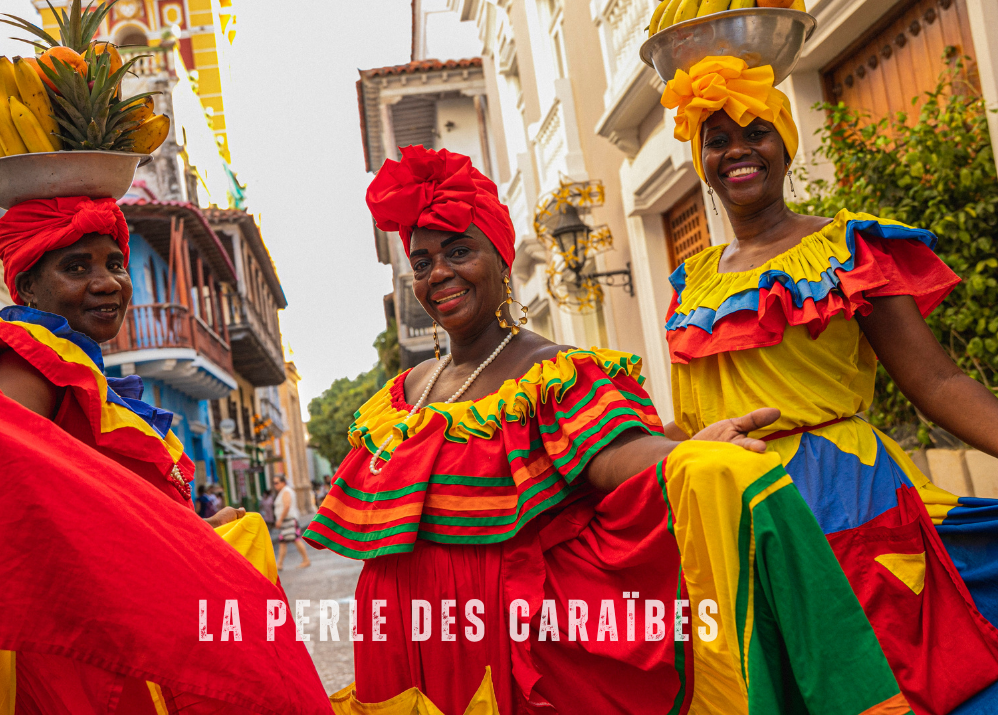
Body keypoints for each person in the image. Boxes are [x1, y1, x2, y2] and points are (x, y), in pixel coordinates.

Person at [309, 145, 913, 715]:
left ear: (501, 257)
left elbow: (614, 450)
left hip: (494, 646)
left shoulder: (550, 372)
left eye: (458, 251)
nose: (438, 273)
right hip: (403, 641)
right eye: (422, 262)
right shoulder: (400, 394)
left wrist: (683, 457)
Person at [659, 56, 998, 713]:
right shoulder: (689, 281)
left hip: (850, 499)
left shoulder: (848, 248)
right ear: (701, 159)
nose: (738, 150)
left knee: (893, 684)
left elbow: (937, 380)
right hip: (740, 516)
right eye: (717, 138)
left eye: (756, 130)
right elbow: (689, 421)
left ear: (786, 144)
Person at [0, 196, 331, 714]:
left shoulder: (77, 368)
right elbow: (9, 456)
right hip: (89, 657)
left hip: (112, 638)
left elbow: (100, 518)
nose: (108, 281)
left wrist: (194, 538)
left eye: (116, 263)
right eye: (76, 267)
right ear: (26, 286)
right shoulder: (32, 358)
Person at [274, 474, 310, 570]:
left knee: (295, 539)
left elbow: (287, 506)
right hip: (286, 521)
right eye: (274, 483)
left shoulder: (286, 491)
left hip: (288, 520)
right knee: (282, 542)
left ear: (283, 482)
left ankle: (306, 559)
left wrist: (280, 520)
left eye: (277, 483)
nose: (275, 485)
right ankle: (279, 564)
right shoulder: (284, 491)